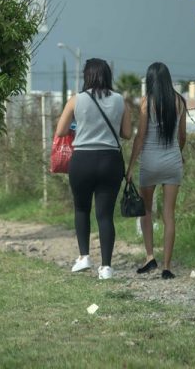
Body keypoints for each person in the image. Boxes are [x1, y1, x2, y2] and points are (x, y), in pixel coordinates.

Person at [54, 58, 132, 279]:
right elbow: (126, 134)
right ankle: (106, 267)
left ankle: (84, 257)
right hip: (110, 161)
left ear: (87, 76)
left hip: (83, 160)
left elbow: (60, 131)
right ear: (107, 75)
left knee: (81, 209)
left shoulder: (75, 100)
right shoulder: (120, 100)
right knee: (105, 215)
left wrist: (81, 125)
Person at [126, 62, 187, 280]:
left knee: (147, 211)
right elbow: (182, 137)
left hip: (150, 163)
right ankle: (167, 267)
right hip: (172, 162)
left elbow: (140, 137)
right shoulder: (180, 101)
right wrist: (177, 155)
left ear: (150, 80)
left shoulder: (146, 102)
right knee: (169, 215)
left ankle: (150, 256)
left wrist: (131, 165)